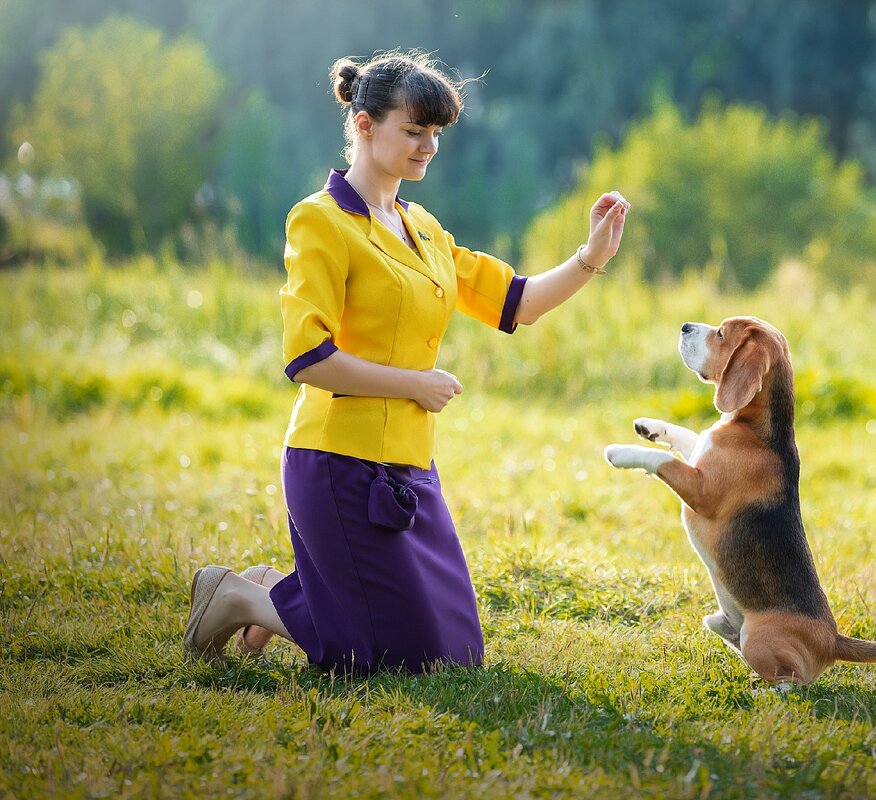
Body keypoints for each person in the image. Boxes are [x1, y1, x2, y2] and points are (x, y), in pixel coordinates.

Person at [182, 49, 628, 675]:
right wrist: (414, 385)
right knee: (384, 658)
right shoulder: (319, 221)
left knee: (456, 656)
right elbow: (308, 358)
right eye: (414, 130)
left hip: (408, 467)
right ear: (365, 125)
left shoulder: (424, 228)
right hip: (336, 462)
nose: (428, 146)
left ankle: (275, 591)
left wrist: (591, 256)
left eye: (435, 132)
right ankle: (239, 597)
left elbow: (518, 302)